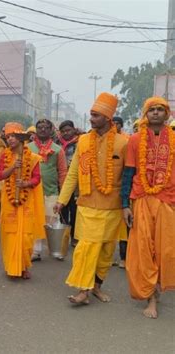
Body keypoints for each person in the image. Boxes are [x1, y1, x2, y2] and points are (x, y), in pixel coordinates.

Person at [54, 92, 127, 305]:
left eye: (95, 115)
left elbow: (129, 177)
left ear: (107, 117)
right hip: (86, 203)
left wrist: (128, 205)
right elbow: (74, 173)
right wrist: (62, 199)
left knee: (106, 251)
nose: (91, 119)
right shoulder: (84, 141)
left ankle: (96, 286)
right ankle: (83, 290)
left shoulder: (123, 143)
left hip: (112, 207)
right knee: (86, 248)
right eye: (91, 115)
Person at [122, 97, 175, 319]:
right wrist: (124, 205)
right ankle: (150, 298)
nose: (155, 113)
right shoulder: (134, 140)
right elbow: (128, 174)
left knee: (165, 250)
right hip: (141, 199)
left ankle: (158, 288)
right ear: (145, 114)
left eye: (159, 110)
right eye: (151, 110)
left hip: (167, 201)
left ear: (167, 113)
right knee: (143, 250)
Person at [0, 122, 45, 279]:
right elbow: (0, 176)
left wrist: (26, 183)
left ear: (20, 138)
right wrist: (12, 167)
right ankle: (11, 266)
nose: (10, 139)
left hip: (26, 199)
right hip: (9, 199)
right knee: (10, 233)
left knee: (26, 236)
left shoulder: (32, 157)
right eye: (8, 136)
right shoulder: (4, 155)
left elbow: (37, 178)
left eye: (13, 136)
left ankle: (24, 266)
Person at [28, 119, 67, 261]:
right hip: (32, 190)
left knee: (51, 220)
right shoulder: (28, 147)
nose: (43, 130)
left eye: (46, 128)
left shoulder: (58, 149)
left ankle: (56, 248)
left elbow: (63, 172)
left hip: (51, 191)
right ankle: (36, 251)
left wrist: (63, 194)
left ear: (51, 130)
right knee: (34, 220)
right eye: (40, 127)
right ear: (36, 130)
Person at [57, 120, 79, 247]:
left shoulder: (80, 143)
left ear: (74, 130)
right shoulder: (57, 143)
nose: (66, 133)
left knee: (75, 211)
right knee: (63, 211)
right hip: (61, 182)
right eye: (63, 131)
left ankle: (74, 237)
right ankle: (63, 236)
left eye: (68, 130)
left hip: (76, 184)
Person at [113, 116, 130, 268]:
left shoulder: (126, 141)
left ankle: (125, 258)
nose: (114, 125)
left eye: (117, 123)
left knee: (126, 228)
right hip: (111, 193)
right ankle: (116, 257)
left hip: (125, 191)